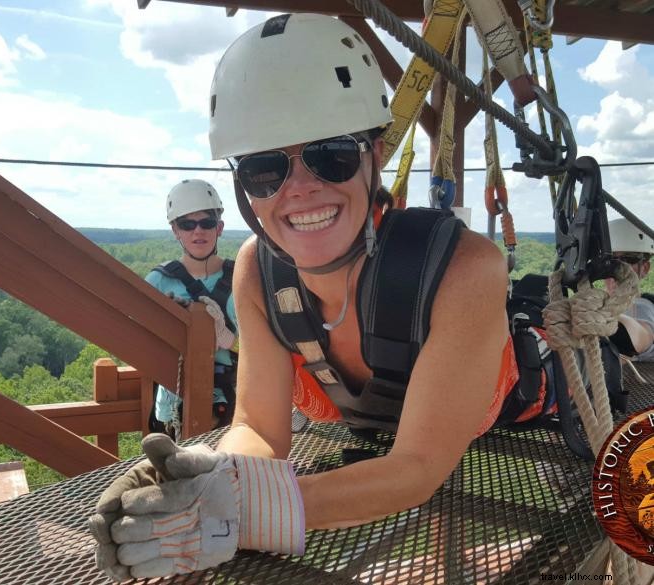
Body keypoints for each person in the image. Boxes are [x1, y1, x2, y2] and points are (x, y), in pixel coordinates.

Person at [89, 14, 518, 580]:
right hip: (369, 424)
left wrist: (245, 511)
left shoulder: (463, 269)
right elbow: (263, 428)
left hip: (509, 406)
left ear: (375, 152)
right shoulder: (259, 272)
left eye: (330, 155)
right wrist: (210, 480)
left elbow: (417, 467)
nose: (298, 189)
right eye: (264, 170)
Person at [145, 179, 238, 437]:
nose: (199, 231)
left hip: (231, 400)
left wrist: (229, 340)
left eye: (207, 223)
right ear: (175, 230)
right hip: (174, 407)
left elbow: (263, 347)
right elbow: (138, 341)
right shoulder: (159, 281)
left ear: (219, 228)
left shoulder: (242, 278)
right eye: (187, 224)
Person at [607, 217, 654, 361]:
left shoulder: (642, 305)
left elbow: (641, 336)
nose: (618, 268)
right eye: (610, 260)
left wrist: (603, 317)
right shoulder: (596, 301)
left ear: (644, 268)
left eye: (628, 259)